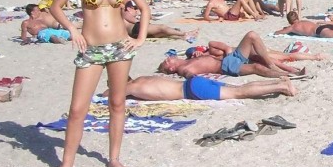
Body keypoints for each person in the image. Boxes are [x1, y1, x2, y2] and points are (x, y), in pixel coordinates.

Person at [46, 0, 150, 167]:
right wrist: (72, 29)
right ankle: (66, 164)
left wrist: (140, 38)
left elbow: (144, 8)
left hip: (119, 47)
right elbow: (56, 6)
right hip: (90, 48)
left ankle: (114, 158)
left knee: (117, 103)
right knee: (78, 109)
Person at [157, 32, 304, 79]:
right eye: (166, 61)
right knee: (256, 67)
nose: (168, 58)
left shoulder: (191, 58)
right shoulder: (184, 69)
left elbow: (214, 46)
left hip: (230, 58)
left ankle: (276, 66)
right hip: (226, 66)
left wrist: (199, 53)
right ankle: (286, 75)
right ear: (171, 68)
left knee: (252, 35)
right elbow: (191, 76)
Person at [118, 75, 296, 101]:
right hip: (193, 82)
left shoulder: (132, 87)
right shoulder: (141, 79)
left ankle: (281, 86)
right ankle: (278, 82)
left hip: (191, 91)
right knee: (239, 87)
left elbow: (112, 95)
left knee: (239, 93)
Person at [122, 0, 197, 40]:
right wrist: (144, 16)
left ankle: (182, 37)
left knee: (159, 34)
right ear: (129, 8)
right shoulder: (126, 13)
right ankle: (185, 34)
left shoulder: (125, 15)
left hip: (135, 31)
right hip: (136, 29)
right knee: (162, 27)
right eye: (134, 8)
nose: (136, 10)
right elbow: (137, 22)